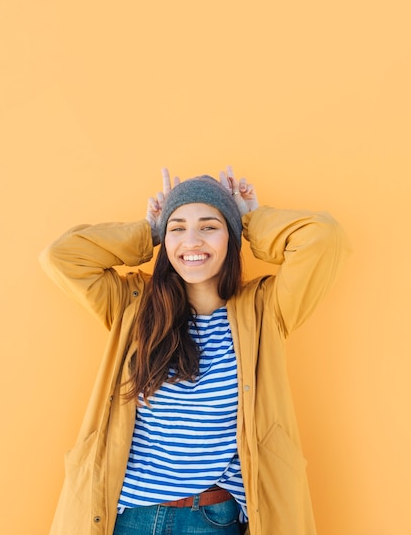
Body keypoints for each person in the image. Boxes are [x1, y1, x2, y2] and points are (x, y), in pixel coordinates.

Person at [40, 166, 351, 535]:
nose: (192, 241)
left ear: (230, 238)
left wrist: (250, 219)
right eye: (178, 228)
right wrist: (149, 232)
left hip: (211, 519)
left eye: (209, 226)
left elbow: (324, 238)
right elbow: (61, 256)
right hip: (126, 518)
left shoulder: (264, 310)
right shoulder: (132, 305)